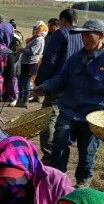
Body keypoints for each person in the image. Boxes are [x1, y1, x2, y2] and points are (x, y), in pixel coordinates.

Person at [35, 18, 104, 188]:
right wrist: (44, 87)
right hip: (69, 109)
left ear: (101, 36)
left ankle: (82, 184)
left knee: (88, 151)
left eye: (89, 35)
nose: (84, 39)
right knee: (60, 139)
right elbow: (61, 78)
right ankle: (57, 180)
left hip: (93, 115)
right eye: (83, 35)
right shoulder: (76, 58)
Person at [35, 8, 83, 161]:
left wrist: (41, 82)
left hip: (57, 83)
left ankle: (50, 153)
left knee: (48, 117)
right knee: (66, 118)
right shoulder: (83, 35)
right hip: (75, 85)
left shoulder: (61, 33)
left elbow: (51, 60)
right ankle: (61, 152)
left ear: (62, 20)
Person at [16, 22, 48, 106]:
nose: (34, 30)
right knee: (21, 81)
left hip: (30, 64)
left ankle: (25, 101)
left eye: (36, 28)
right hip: (26, 63)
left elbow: (32, 51)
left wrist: (21, 49)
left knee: (26, 83)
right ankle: (21, 99)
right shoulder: (35, 38)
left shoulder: (39, 39)